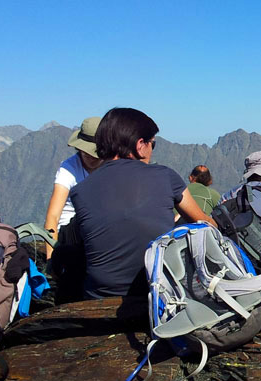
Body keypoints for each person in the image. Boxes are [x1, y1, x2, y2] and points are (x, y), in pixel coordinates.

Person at [69, 107, 216, 298]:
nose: (151, 151)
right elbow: (203, 223)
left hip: (99, 297)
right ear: (140, 145)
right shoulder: (165, 176)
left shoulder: (80, 191)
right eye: (152, 144)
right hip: (159, 296)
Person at [43, 116, 103, 259]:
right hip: (70, 236)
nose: (90, 156)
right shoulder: (68, 168)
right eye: (85, 151)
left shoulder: (112, 167)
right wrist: (51, 259)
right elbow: (53, 216)